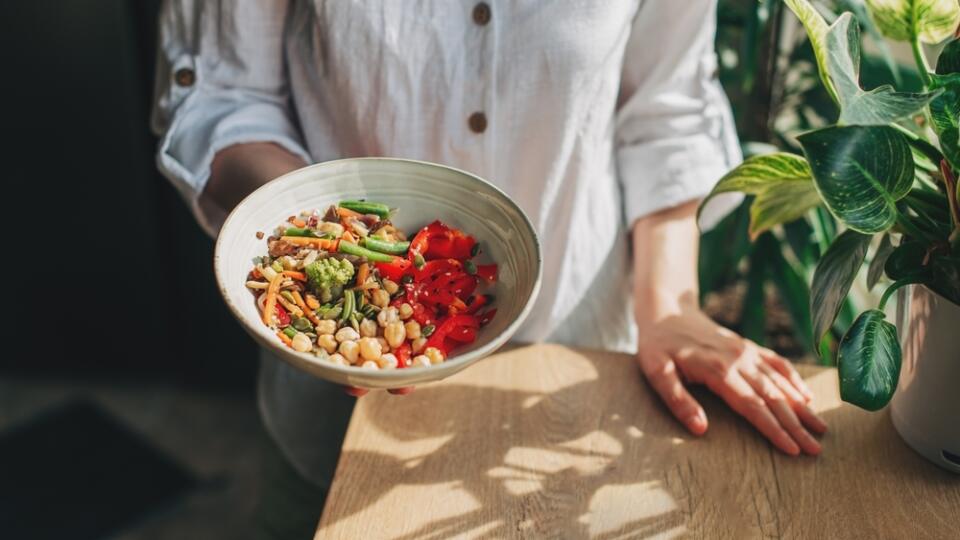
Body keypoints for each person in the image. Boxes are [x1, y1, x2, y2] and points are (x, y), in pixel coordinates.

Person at [153, 0, 827, 536]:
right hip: (336, 409)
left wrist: (672, 307)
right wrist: (335, 247)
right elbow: (223, 94)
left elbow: (665, 110)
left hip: (578, 363)